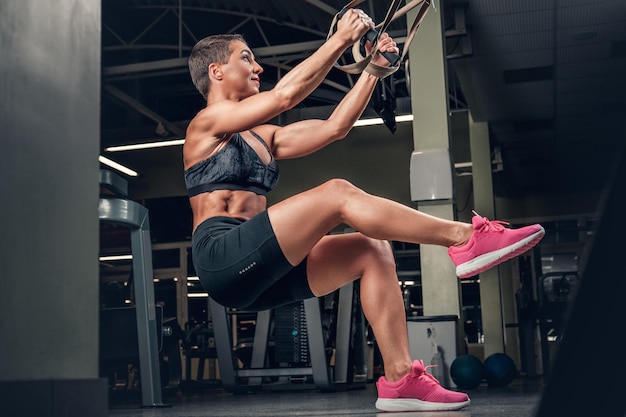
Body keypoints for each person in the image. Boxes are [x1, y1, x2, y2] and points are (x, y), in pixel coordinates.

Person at [184, 8, 544, 413]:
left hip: (263, 270)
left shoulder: (264, 135)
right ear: (216, 71)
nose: (258, 66)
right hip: (221, 257)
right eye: (246, 57)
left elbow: (334, 128)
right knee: (337, 192)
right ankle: (466, 239)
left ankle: (400, 380)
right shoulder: (206, 123)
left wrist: (372, 70)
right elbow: (285, 96)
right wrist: (339, 40)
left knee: (372, 249)